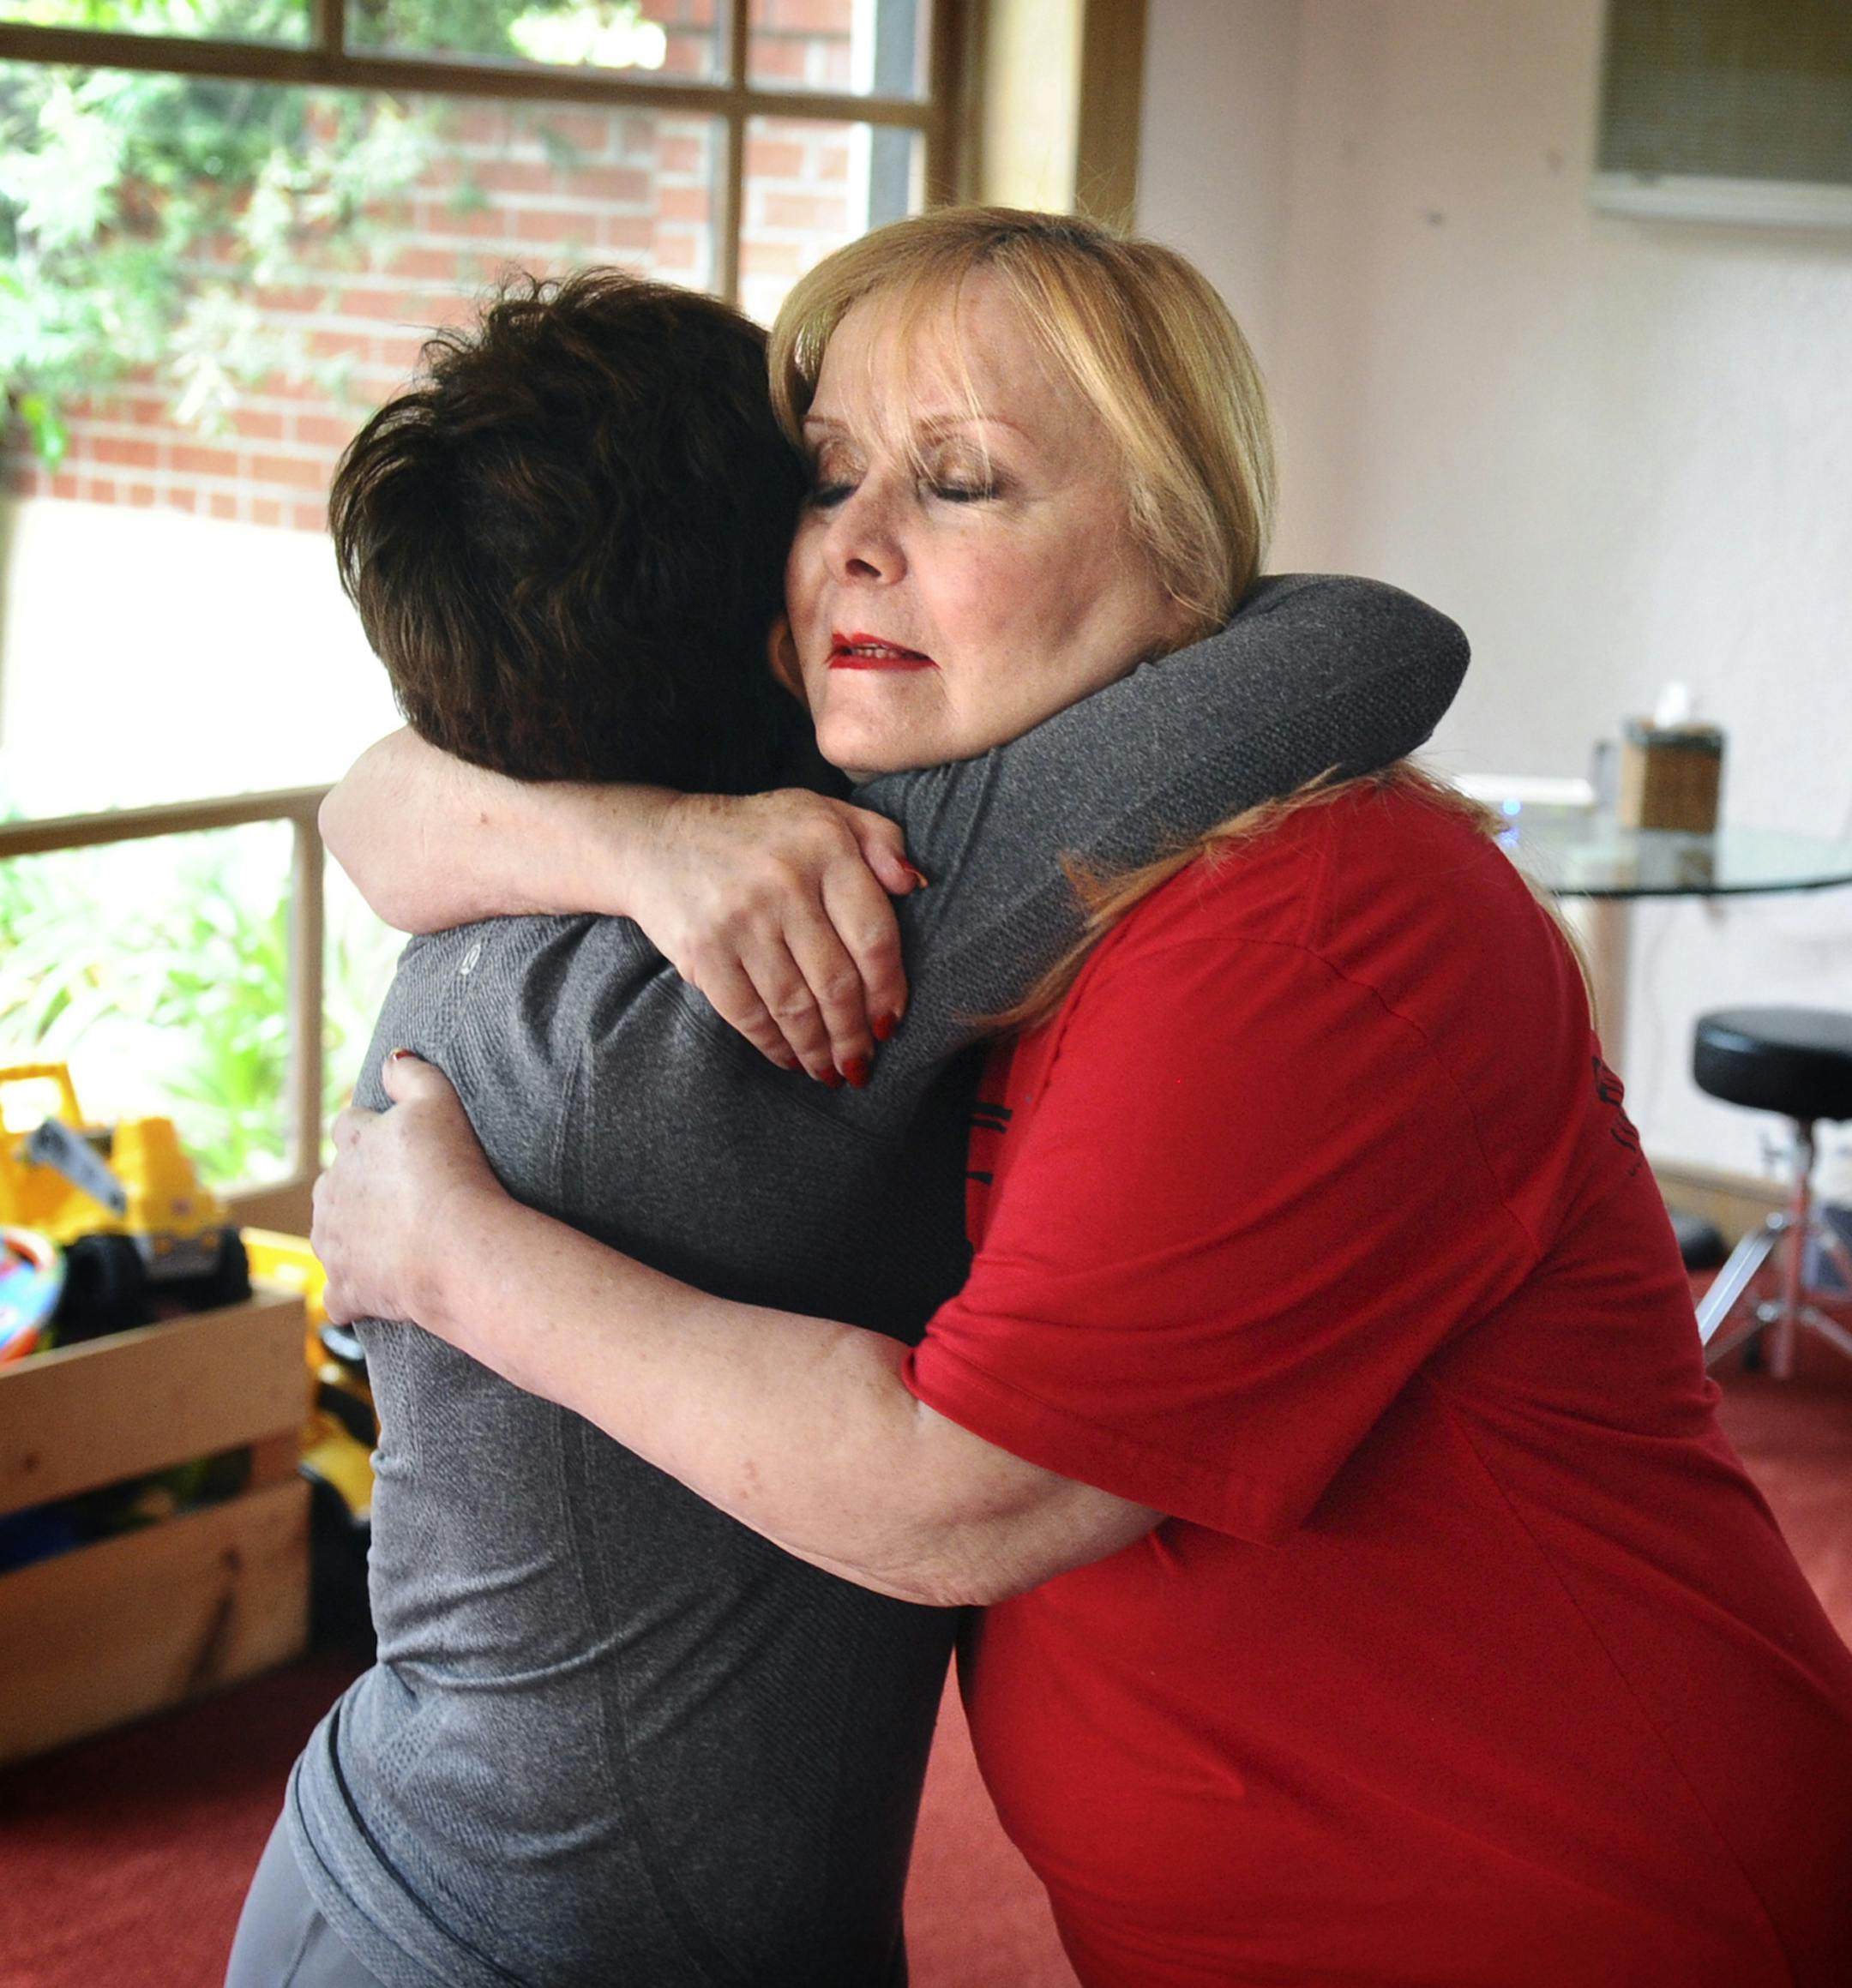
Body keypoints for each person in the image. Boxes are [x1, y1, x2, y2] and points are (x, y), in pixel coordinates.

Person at [311, 208, 1852, 1986]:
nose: (860, 549)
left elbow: (960, 1501)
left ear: (1185, 577)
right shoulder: (898, 827)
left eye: (961, 482)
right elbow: (383, 798)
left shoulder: (1310, 915)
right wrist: (641, 838)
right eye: (824, 481)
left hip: (1574, 1902)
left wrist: (447, 1254)